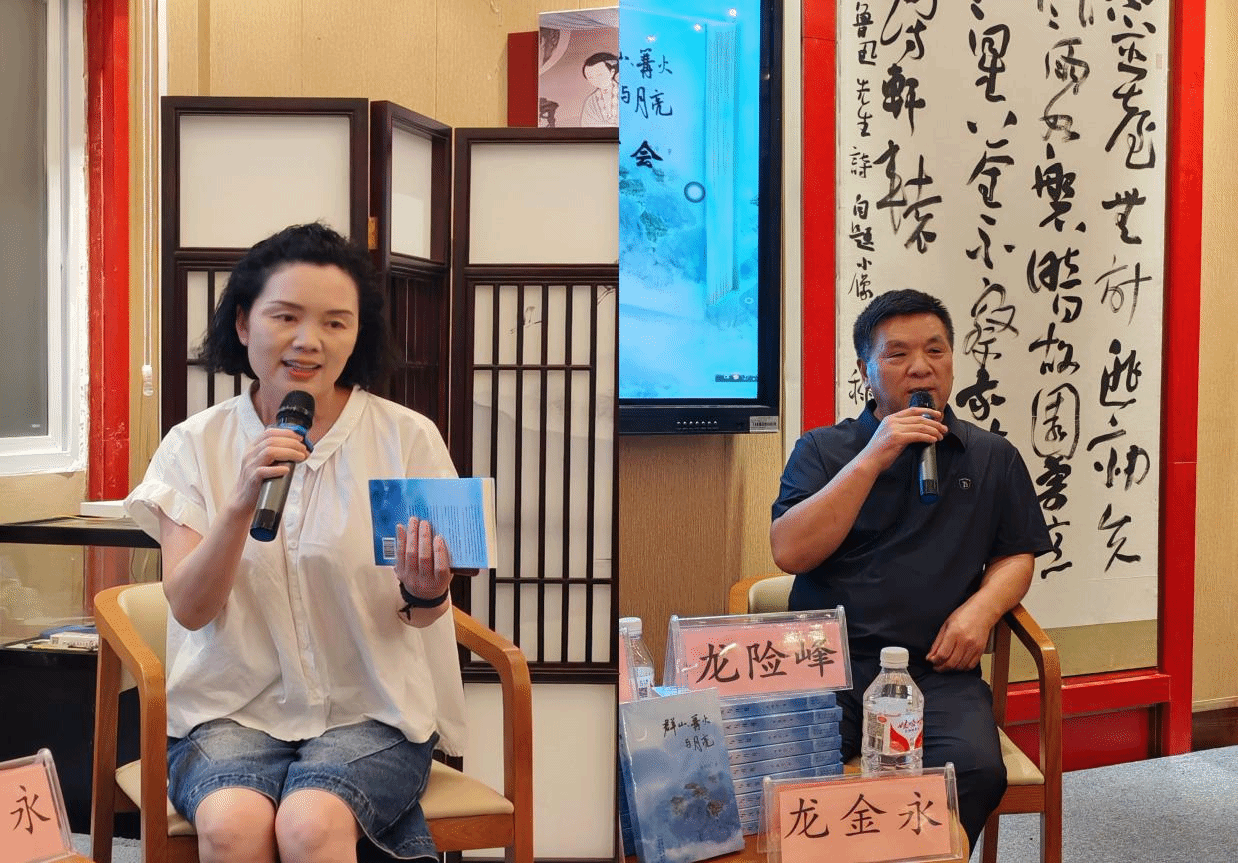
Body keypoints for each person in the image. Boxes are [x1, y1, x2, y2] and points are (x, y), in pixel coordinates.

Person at [125, 222, 474, 863]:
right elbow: (191, 610)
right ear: (242, 323)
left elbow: (424, 617)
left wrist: (428, 590)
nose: (309, 340)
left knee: (309, 824)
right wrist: (239, 501)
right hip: (227, 712)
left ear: (358, 334)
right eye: (285, 316)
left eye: (336, 323)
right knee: (232, 825)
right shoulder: (193, 446)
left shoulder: (406, 438)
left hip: (372, 713)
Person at [769, 288, 1051, 850]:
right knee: (782, 767)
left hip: (934, 670)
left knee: (976, 769)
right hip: (825, 667)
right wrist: (875, 454)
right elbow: (790, 552)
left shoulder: (992, 456)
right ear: (865, 371)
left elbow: (1016, 553)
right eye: (897, 354)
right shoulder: (822, 449)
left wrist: (982, 610)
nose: (921, 367)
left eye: (935, 351)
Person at [579, 51, 619, 127]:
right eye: (590, 77)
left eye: (600, 75)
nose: (596, 80)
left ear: (612, 72)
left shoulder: (627, 93)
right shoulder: (591, 101)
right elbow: (586, 126)